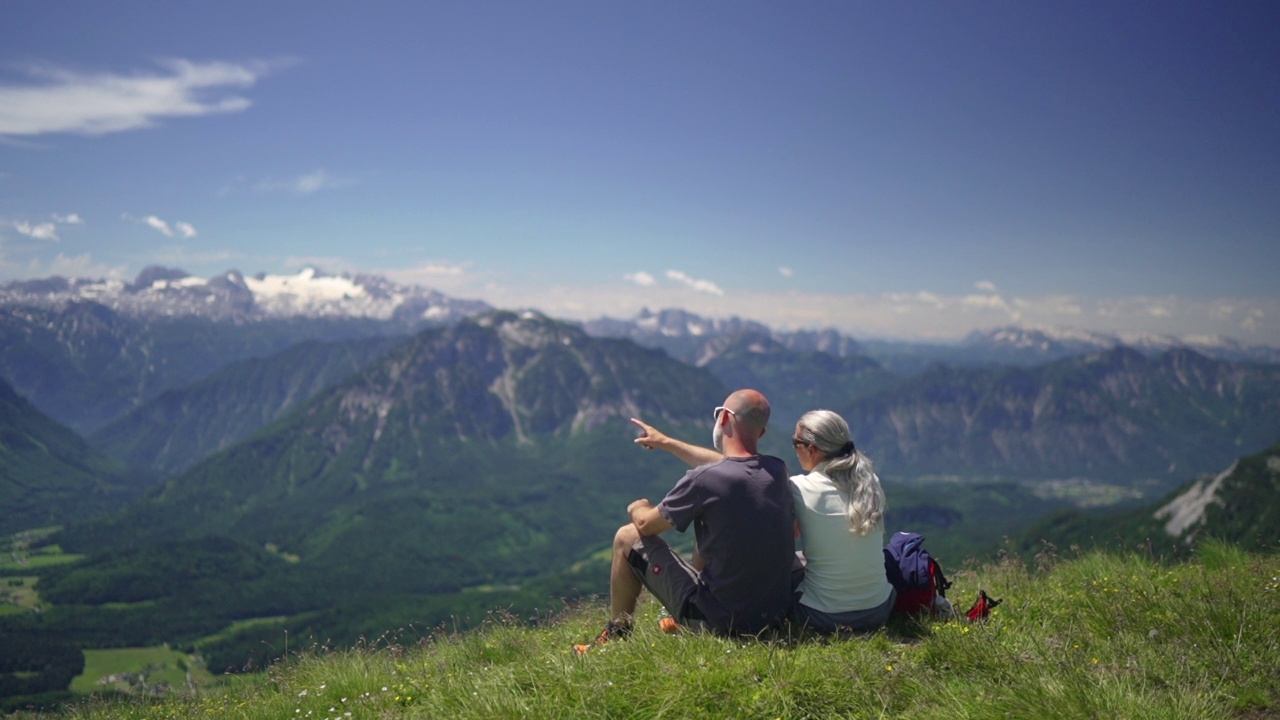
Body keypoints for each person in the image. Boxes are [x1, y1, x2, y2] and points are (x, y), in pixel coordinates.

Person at [573, 389, 796, 654]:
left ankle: (617, 635)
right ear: (761, 433)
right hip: (770, 619)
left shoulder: (704, 480)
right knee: (712, 525)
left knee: (626, 536)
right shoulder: (777, 470)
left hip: (719, 623)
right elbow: (734, 466)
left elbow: (646, 525)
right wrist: (667, 442)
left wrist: (637, 507)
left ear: (724, 419)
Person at [788, 409, 895, 633]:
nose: (794, 449)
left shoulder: (799, 487)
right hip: (879, 609)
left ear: (811, 449)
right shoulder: (870, 482)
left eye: (795, 442)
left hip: (821, 616)